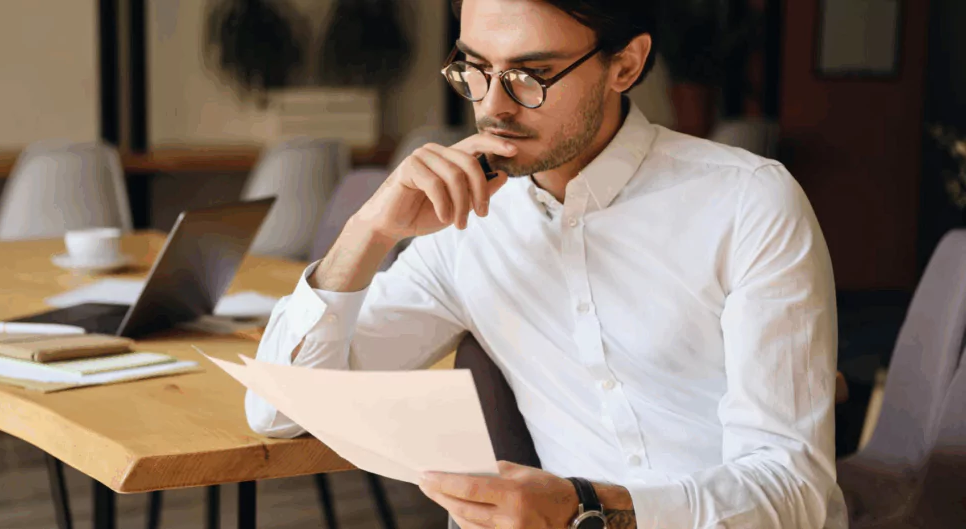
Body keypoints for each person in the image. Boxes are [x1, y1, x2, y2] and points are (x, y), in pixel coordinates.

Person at [245, 0, 849, 527]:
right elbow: (281, 410)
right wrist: (368, 230)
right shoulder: (467, 230)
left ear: (626, 65)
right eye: (476, 69)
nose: (495, 107)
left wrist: (587, 509)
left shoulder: (748, 203)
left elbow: (794, 496)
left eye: (531, 75)